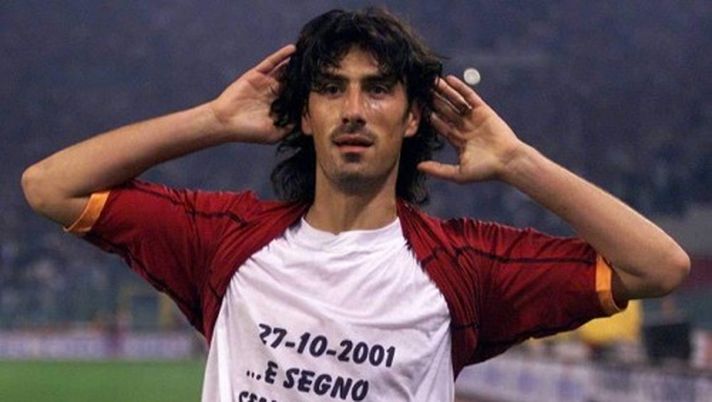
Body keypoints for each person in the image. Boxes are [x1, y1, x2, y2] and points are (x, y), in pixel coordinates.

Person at [21, 7, 689, 402]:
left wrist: (518, 162)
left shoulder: (464, 266)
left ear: (411, 117)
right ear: (303, 114)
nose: (353, 110)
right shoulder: (224, 240)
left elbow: (659, 266)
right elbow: (50, 186)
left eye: (377, 89)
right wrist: (213, 121)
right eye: (331, 88)